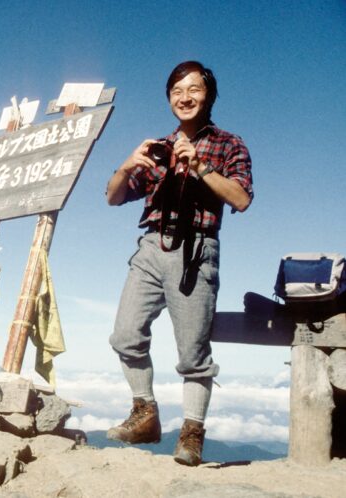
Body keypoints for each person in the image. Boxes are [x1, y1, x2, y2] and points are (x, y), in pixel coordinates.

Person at [104, 61, 253, 466]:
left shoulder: (227, 144)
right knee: (125, 334)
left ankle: (191, 434)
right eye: (176, 91)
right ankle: (145, 414)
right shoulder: (159, 148)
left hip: (197, 250)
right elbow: (113, 196)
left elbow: (240, 198)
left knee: (192, 353)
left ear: (209, 95)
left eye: (193, 89)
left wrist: (201, 167)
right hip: (152, 245)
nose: (184, 98)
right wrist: (128, 163)